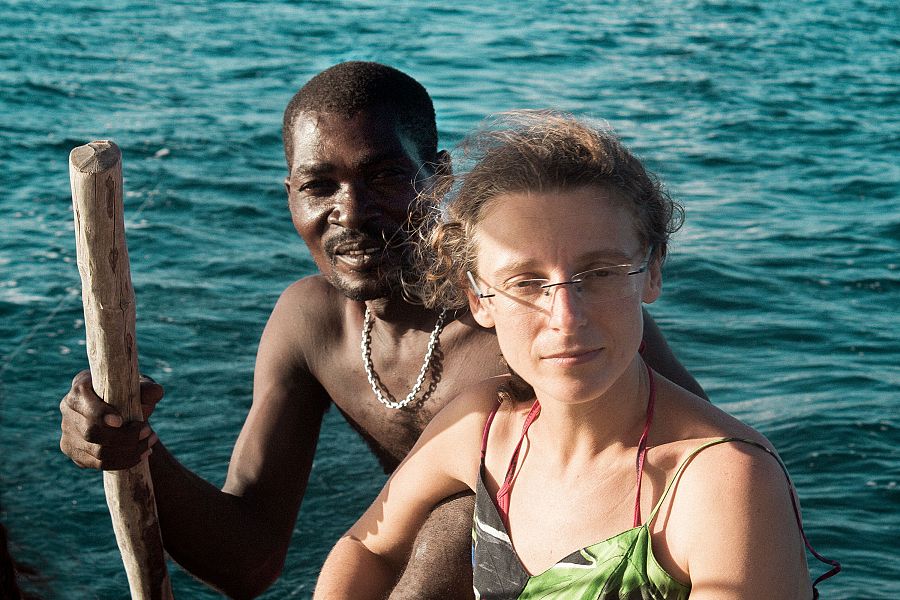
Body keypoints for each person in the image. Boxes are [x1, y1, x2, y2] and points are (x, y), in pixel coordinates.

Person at [59, 62, 707, 599]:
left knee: (458, 516)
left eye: (387, 177)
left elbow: (705, 473)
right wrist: (132, 448)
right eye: (319, 186)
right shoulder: (312, 325)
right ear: (290, 195)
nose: (351, 213)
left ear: (440, 178)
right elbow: (251, 560)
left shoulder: (535, 316)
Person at [313, 111, 840, 599]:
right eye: (526, 282)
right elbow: (367, 548)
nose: (566, 317)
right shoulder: (486, 427)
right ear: (478, 298)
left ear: (652, 271)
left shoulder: (720, 483)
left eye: (601, 273)